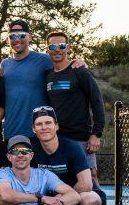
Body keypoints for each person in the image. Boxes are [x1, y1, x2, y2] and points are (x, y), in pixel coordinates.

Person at [30, 106, 108, 205]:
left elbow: (86, 184)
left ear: (56, 126)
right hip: (55, 202)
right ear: (34, 129)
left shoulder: (72, 147)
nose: (44, 127)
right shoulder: (32, 152)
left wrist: (56, 200)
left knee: (88, 200)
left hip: (79, 198)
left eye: (48, 123)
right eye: (39, 124)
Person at [0, 19, 85, 140]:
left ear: (30, 37)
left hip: (40, 133)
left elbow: (63, 65)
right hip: (12, 132)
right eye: (12, 36)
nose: (17, 39)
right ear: (7, 40)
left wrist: (79, 62)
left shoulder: (44, 60)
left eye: (22, 35)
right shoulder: (4, 65)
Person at [43, 31, 104, 173]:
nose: (57, 50)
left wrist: (96, 134)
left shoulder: (80, 71)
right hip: (57, 138)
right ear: (47, 49)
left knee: (91, 176)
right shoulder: (47, 75)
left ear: (68, 48)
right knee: (63, 177)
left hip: (80, 139)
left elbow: (96, 101)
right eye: (52, 47)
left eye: (61, 46)